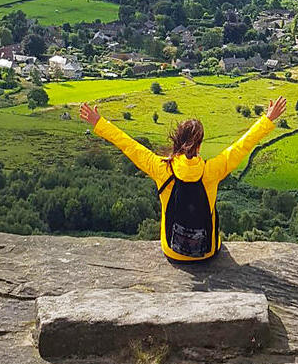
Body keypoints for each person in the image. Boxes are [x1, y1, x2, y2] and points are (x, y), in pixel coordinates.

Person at [80, 96, 287, 262]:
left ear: (176, 141)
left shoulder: (160, 168)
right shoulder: (212, 170)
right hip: (208, 253)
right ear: (199, 145)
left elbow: (129, 145)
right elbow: (242, 145)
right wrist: (267, 120)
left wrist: (99, 123)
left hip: (172, 251)